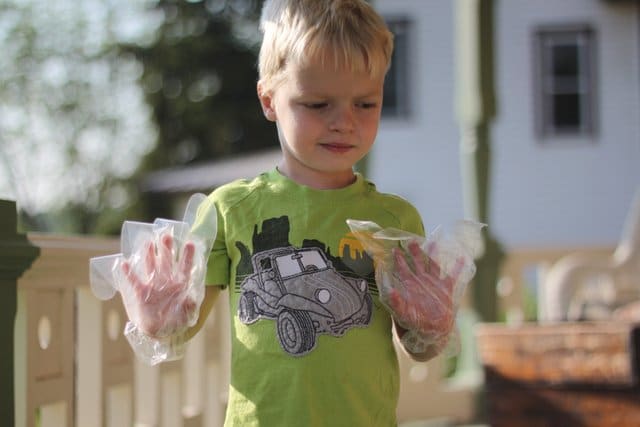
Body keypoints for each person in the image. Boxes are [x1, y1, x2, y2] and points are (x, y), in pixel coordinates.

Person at [125, 0, 462, 425]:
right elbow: (180, 329)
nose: (344, 122)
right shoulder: (230, 208)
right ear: (269, 100)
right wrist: (159, 321)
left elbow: (420, 346)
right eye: (318, 104)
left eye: (365, 104)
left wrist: (430, 324)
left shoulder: (394, 219)